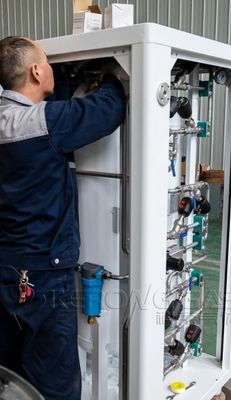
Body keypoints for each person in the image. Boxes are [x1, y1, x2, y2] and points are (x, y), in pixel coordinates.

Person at [0, 36, 126, 399]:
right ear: (37, 71)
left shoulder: (18, 119)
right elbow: (108, 109)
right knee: (55, 376)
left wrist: (72, 82)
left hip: (6, 265)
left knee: (11, 366)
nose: (52, 69)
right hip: (43, 272)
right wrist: (112, 73)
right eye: (48, 63)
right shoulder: (44, 122)